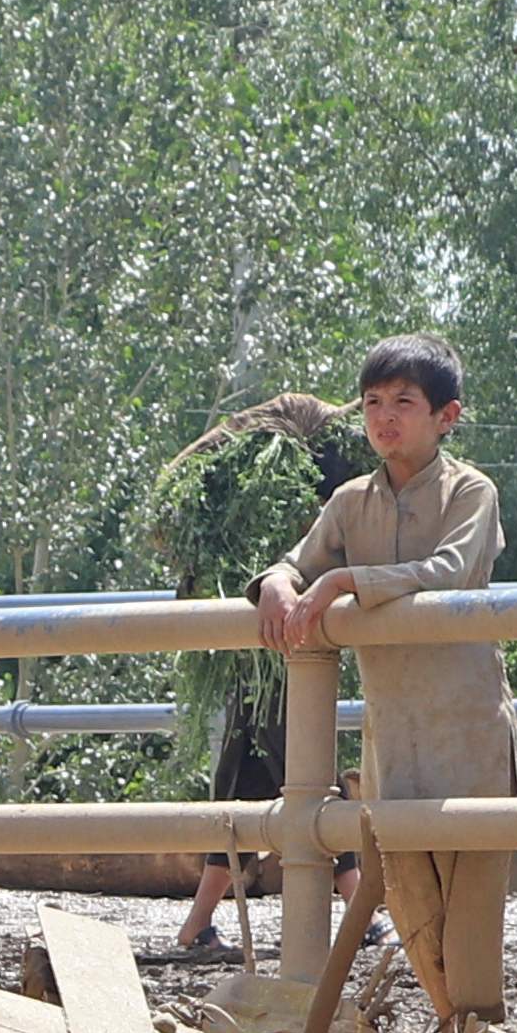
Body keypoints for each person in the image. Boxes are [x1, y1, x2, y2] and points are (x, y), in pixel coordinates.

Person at [251, 338, 517, 1026]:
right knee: (414, 916)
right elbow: (293, 564)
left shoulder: (471, 491)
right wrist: (279, 584)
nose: (384, 417)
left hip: (468, 733)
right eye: (372, 402)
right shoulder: (347, 503)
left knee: (471, 918)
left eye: (403, 401)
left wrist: (343, 581)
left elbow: (450, 571)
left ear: (445, 416)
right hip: (391, 742)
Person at [145, 391, 360, 963]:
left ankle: (198, 923)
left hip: (270, 636)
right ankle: (362, 909)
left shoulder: (321, 466)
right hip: (273, 637)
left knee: (247, 769)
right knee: (302, 763)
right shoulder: (314, 453)